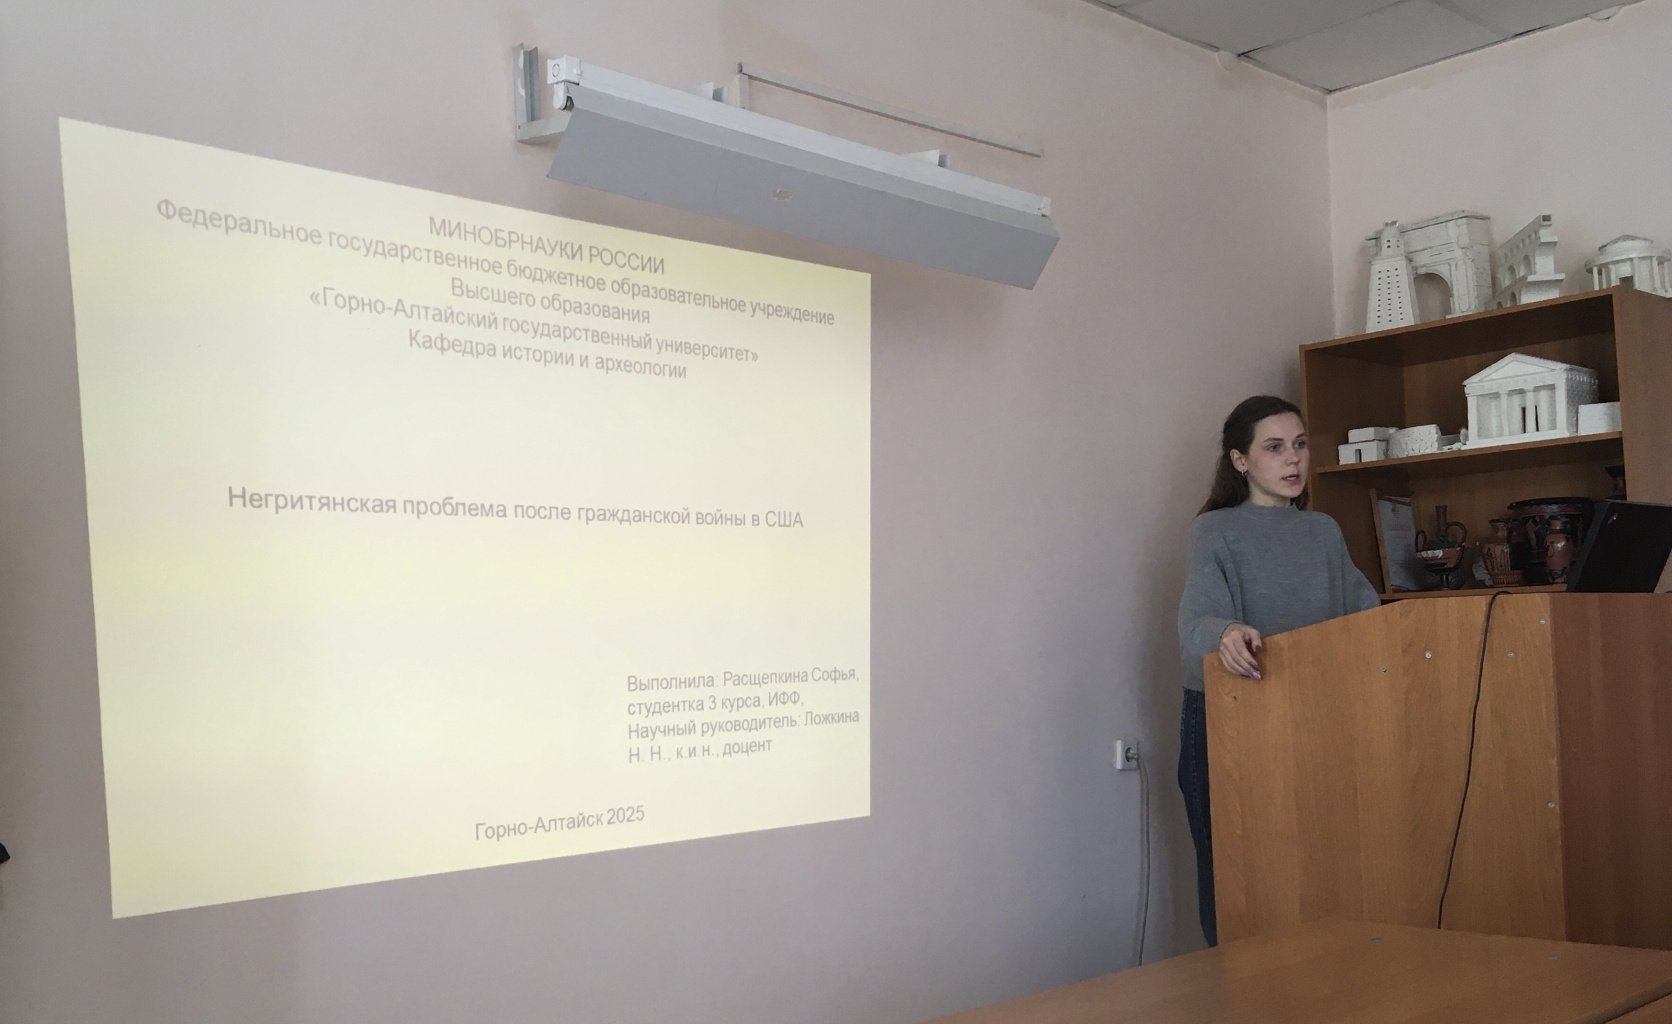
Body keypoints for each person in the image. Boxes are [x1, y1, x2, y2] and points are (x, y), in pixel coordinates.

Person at [1175, 395, 1379, 946]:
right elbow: (1196, 623)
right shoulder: (1214, 530)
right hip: (1229, 723)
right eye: (1274, 447)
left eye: (1300, 444)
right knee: (1236, 882)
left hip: (1313, 718)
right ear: (1240, 460)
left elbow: (1367, 617)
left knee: (1317, 871)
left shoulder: (1323, 531)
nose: (1293, 459)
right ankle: (1236, 987)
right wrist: (1225, 633)